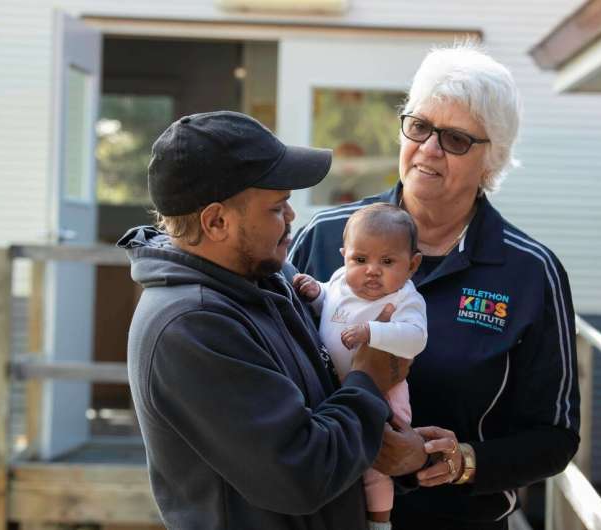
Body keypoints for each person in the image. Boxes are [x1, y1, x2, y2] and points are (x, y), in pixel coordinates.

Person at [289, 42, 580, 530]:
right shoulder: (324, 238)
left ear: (494, 159)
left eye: (456, 139)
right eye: (420, 126)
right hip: (324, 518)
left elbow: (554, 437)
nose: (428, 149)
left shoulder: (530, 272)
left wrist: (458, 461)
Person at [119, 110, 410, 530]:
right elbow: (302, 473)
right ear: (217, 221)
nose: (292, 216)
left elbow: (328, 407)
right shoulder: (189, 326)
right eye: (277, 207)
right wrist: (368, 379)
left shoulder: (272, 276)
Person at [292, 203, 427, 529]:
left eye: (387, 262)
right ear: (344, 256)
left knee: (375, 458)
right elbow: (331, 303)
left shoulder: (405, 299)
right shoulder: (340, 280)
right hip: (333, 386)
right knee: (333, 449)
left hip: (385, 393)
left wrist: (373, 332)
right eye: (360, 260)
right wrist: (316, 294)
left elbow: (415, 338)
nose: (372, 271)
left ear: (412, 265)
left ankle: (380, 520)